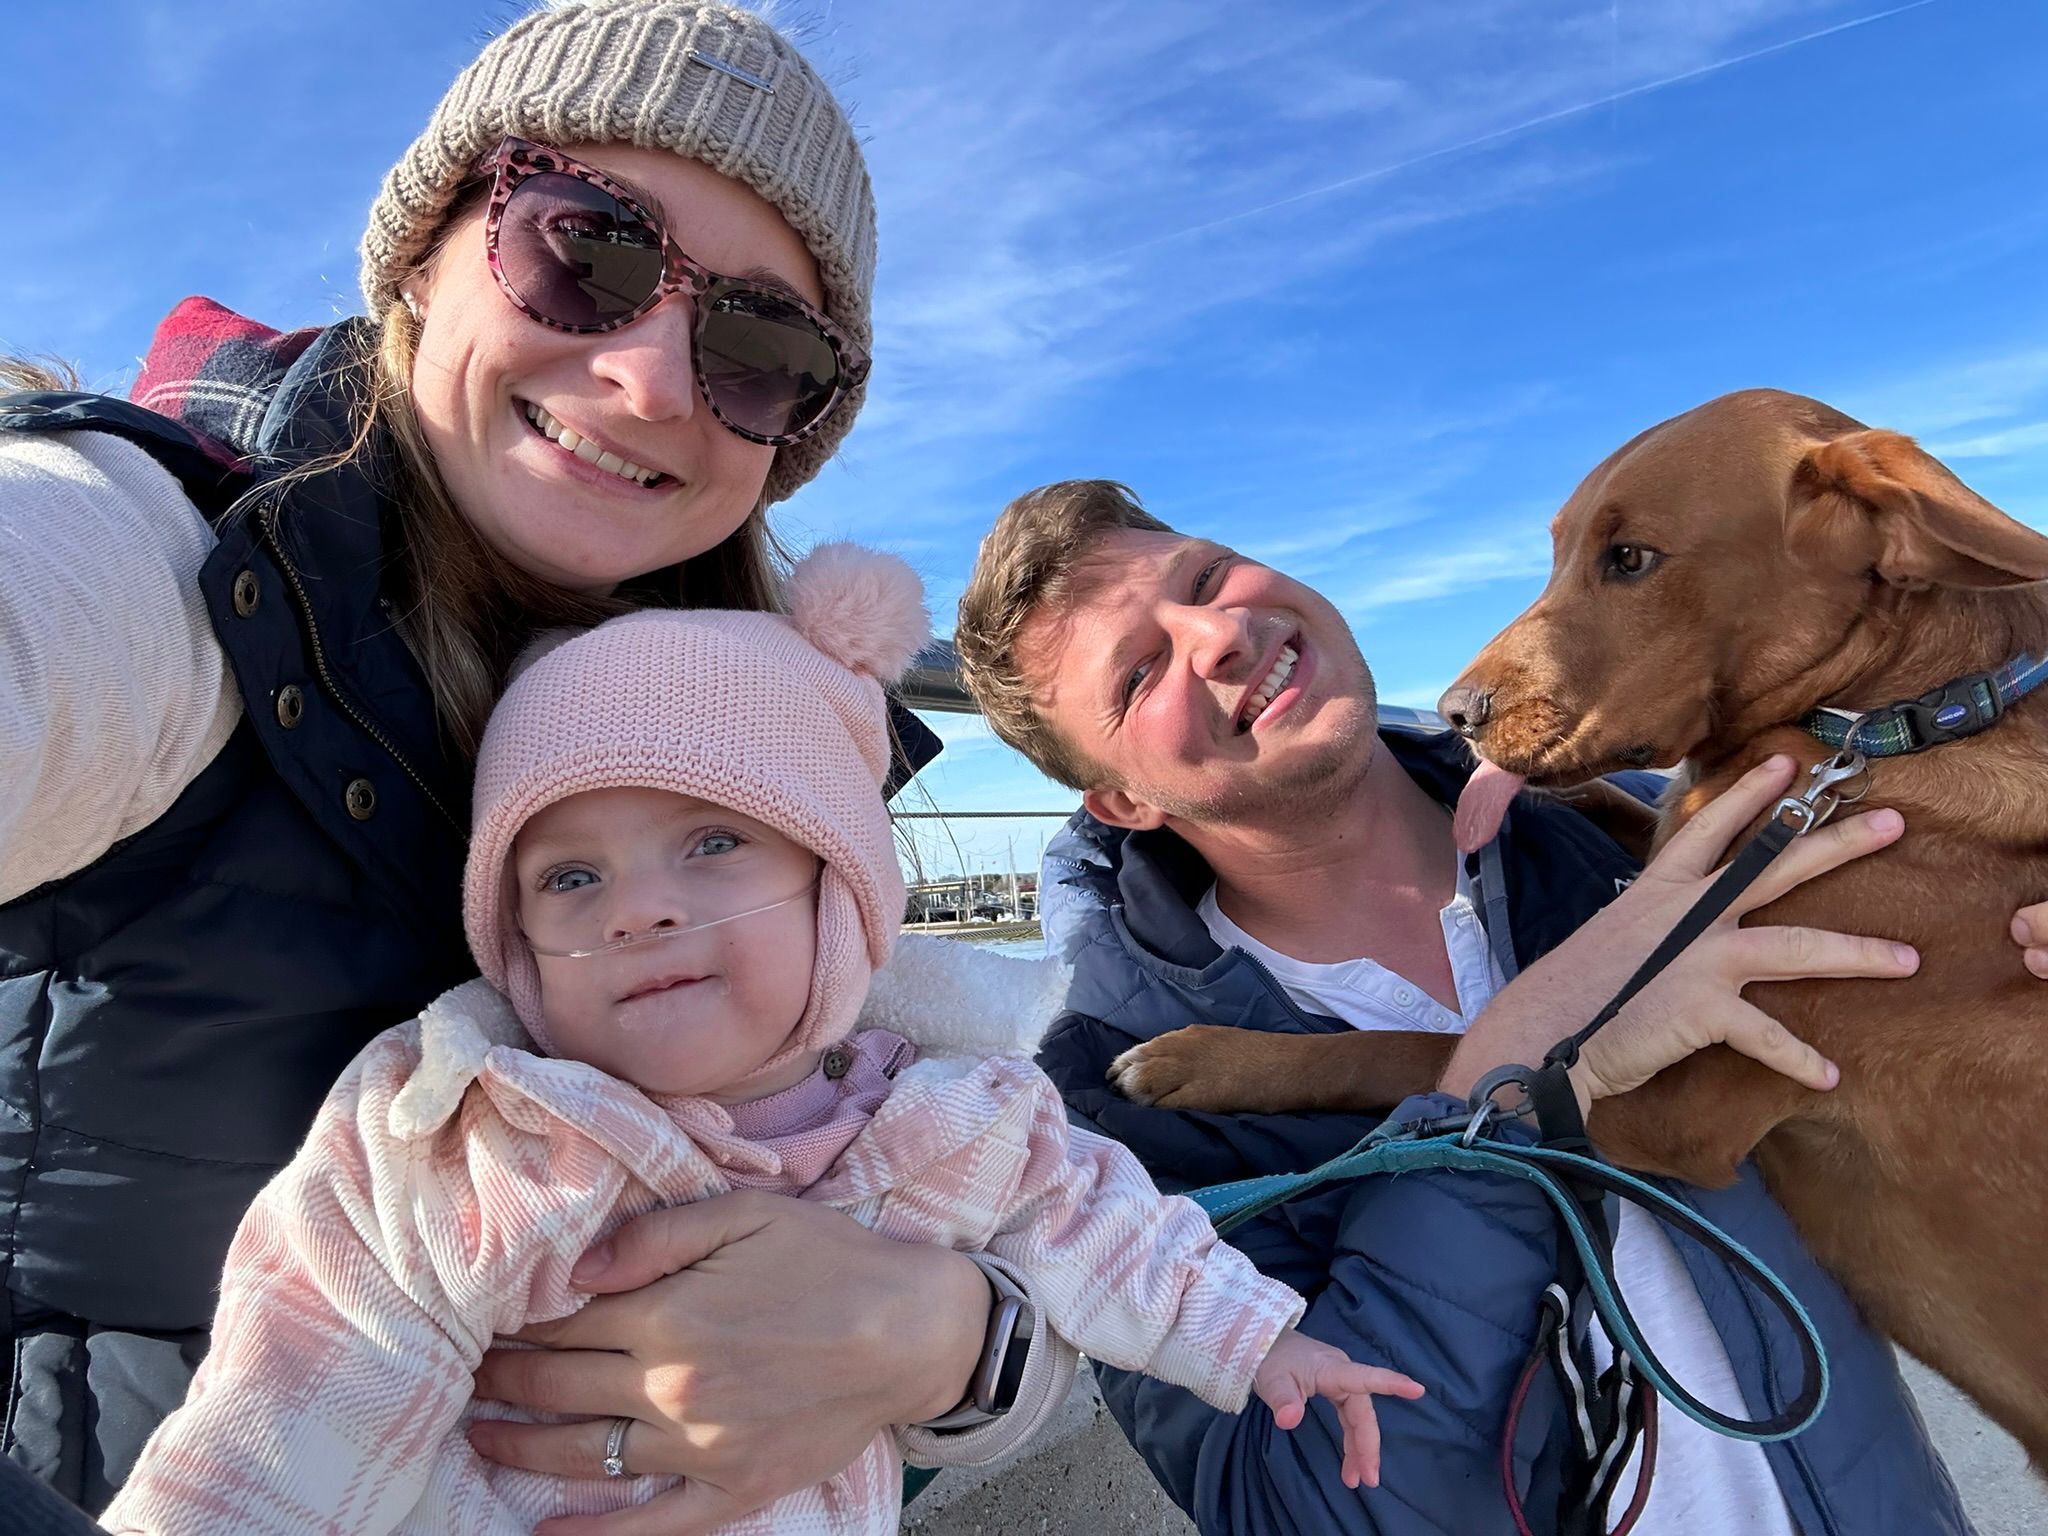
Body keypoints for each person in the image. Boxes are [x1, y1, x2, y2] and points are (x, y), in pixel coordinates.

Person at [0, 4, 1058, 1522]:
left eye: (761, 344)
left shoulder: (771, 738)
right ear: (425, 261)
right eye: (591, 248)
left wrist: (947, 1339)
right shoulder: (155, 571)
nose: (649, 378)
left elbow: (1027, 1192)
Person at [100, 544, 1428, 1535]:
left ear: (842, 896)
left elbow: (1112, 1236)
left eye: (715, 841)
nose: (641, 906)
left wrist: (1264, 1346)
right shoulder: (455, 1138)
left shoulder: (963, 1119)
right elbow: (283, 1422)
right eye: (569, 879)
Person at [955, 480, 1984, 1535]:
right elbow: (1299, 1504)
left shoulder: (1621, 835)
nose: (1217, 634)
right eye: (1137, 673)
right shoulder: (1104, 1110)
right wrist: (1503, 1082)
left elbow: (1922, 1067)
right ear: (1120, 802)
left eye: (1207, 578)